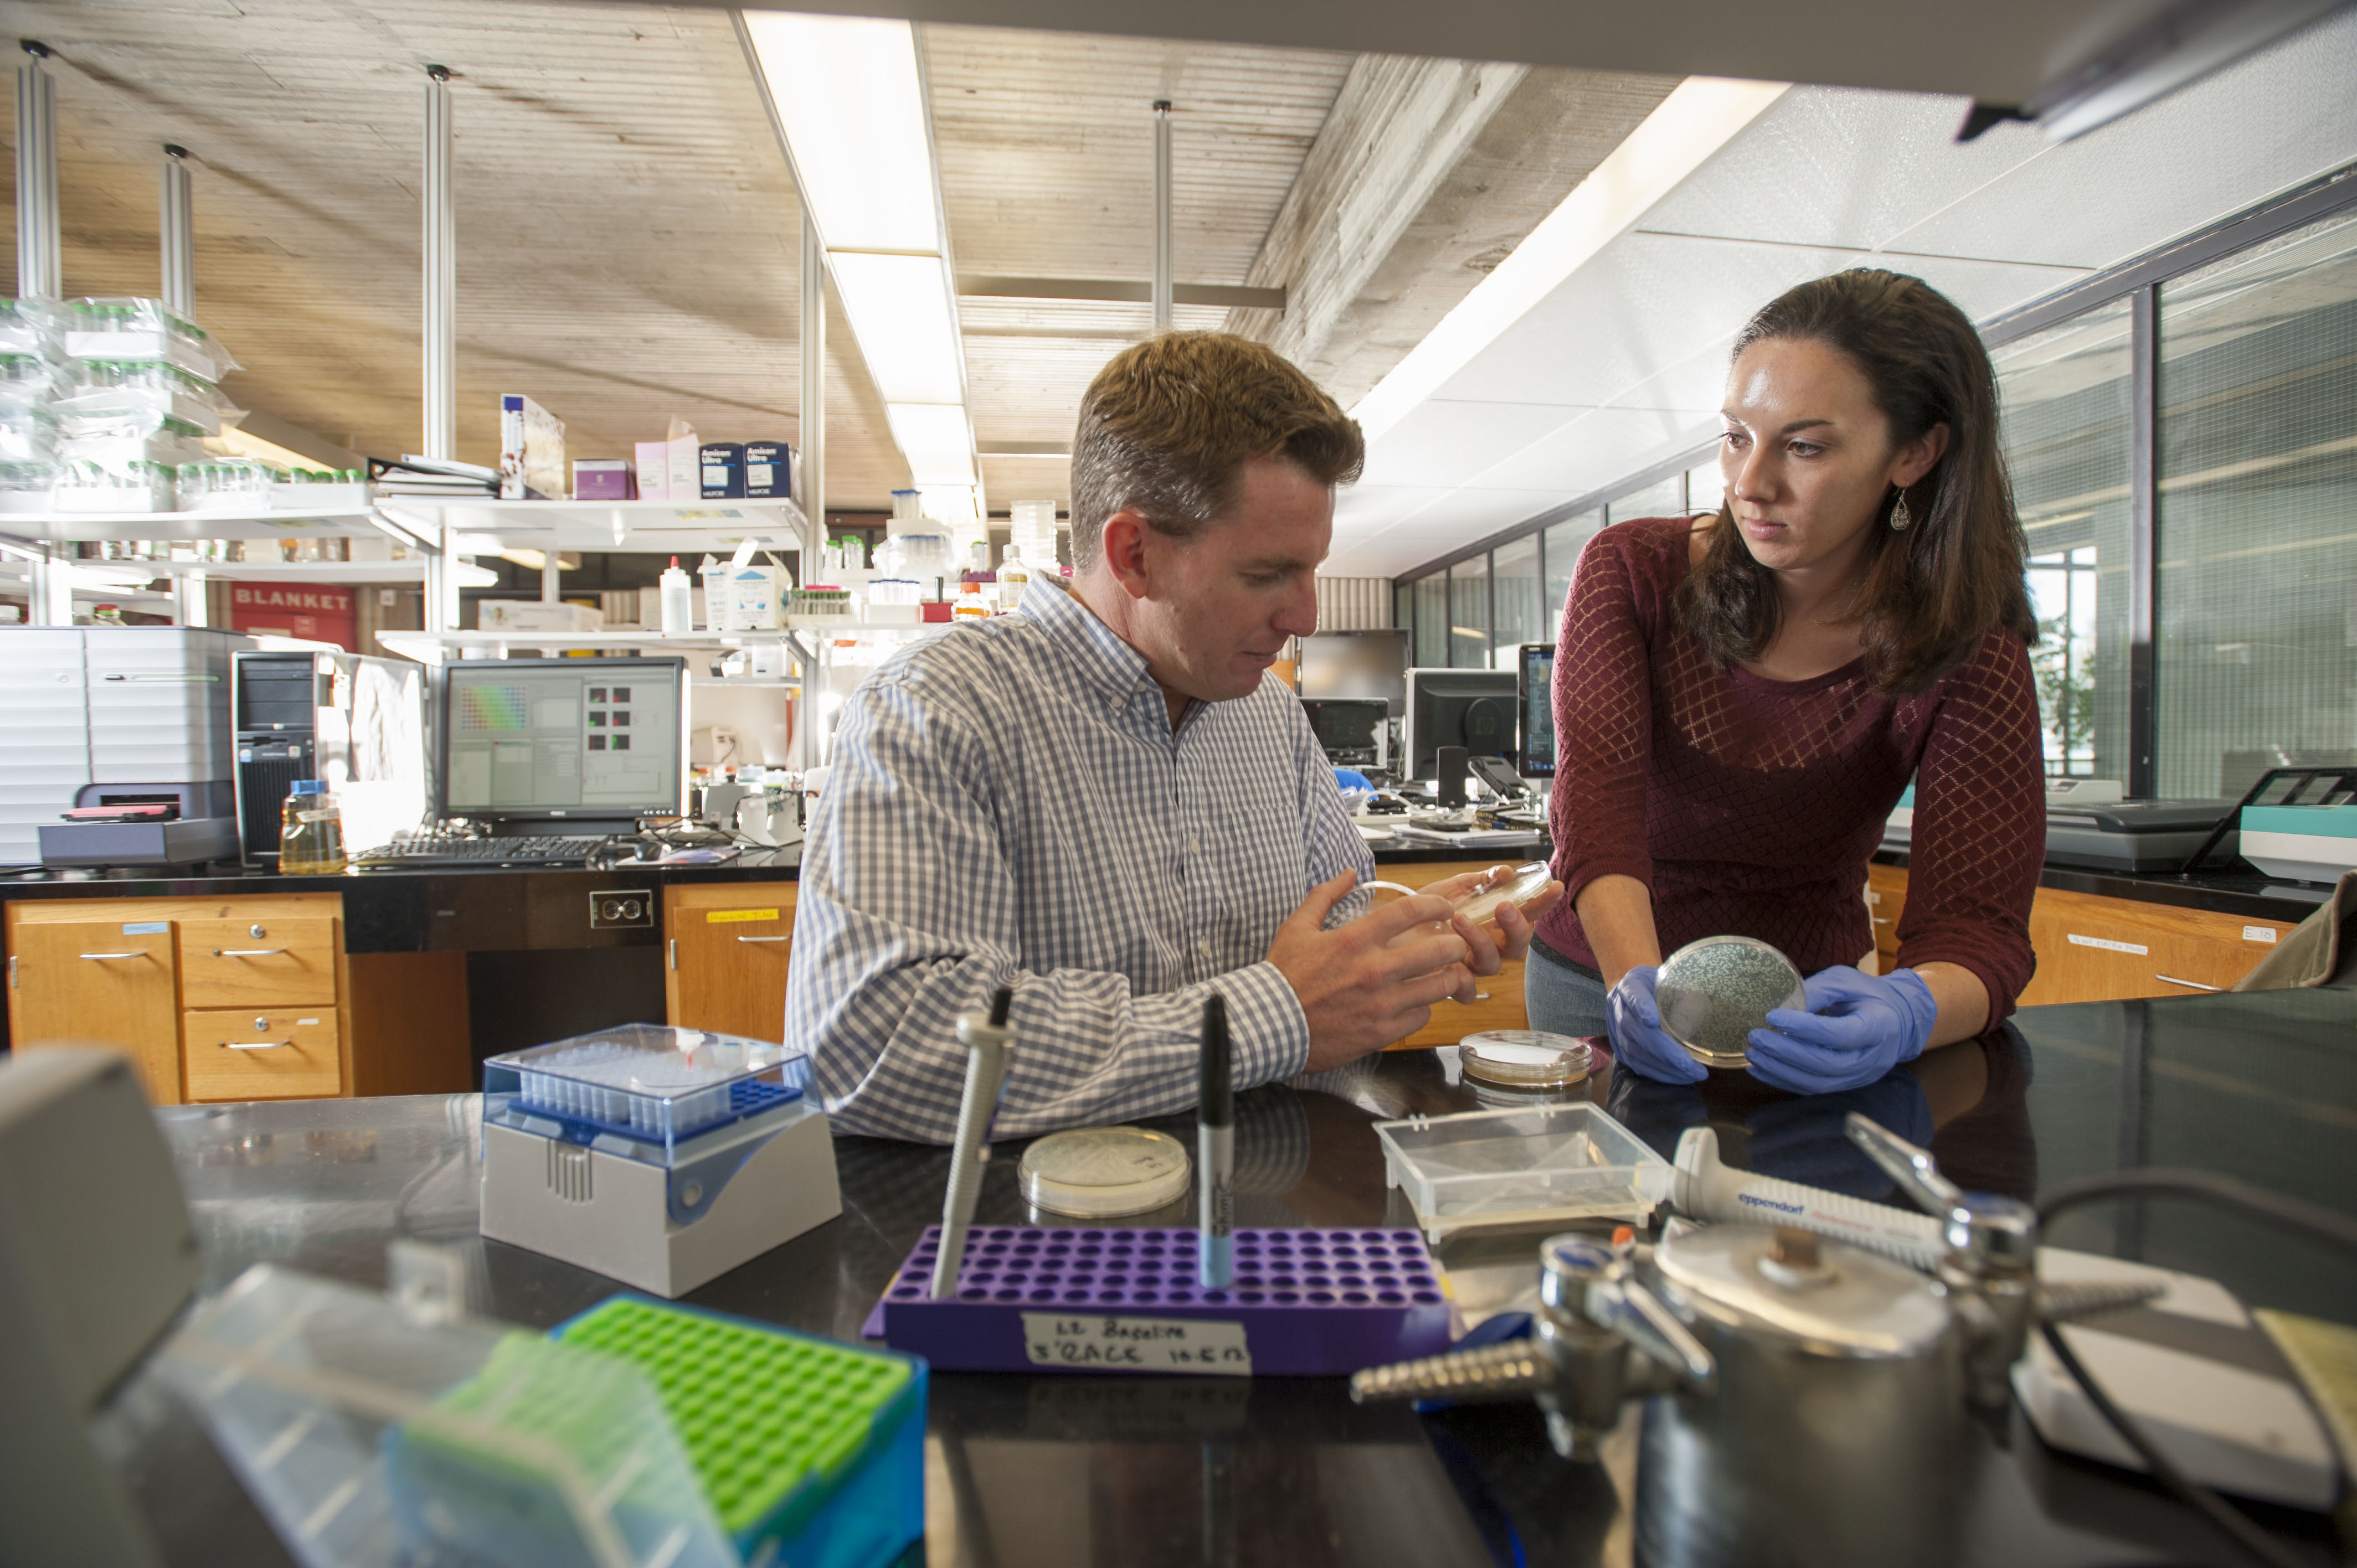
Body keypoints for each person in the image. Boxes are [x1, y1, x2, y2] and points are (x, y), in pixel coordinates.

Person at [791, 331, 1560, 1142]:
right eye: (1266, 575)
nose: (1307, 618)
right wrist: (1270, 1018)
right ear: (1135, 556)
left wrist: (1403, 945)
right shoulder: (938, 712)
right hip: (1041, 1238)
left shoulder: (1266, 717)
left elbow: (1323, 944)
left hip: (1264, 1204)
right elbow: (873, 1047)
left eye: (1313, 570)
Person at [1529, 269, 2043, 1095]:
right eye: (1736, 435)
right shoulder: (1633, 570)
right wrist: (1646, 986)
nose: (1750, 484)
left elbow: (1978, 930)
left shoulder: (1971, 648)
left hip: (1805, 1007)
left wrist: (1911, 1010)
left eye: (1804, 447)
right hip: (1604, 976)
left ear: (1914, 452)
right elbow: (1599, 812)